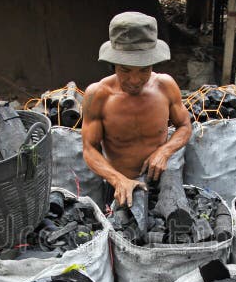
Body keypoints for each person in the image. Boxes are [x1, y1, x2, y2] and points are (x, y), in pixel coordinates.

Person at [82, 12, 191, 207]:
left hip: (159, 183)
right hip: (119, 187)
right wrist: (117, 179)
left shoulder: (165, 86)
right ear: (113, 64)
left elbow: (184, 126)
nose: (134, 80)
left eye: (144, 70)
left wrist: (165, 151)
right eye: (125, 70)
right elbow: (89, 149)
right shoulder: (98, 95)